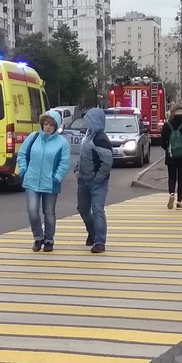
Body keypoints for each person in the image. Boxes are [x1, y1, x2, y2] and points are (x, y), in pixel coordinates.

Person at [15, 109, 72, 252]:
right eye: (45, 124)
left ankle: (49, 240)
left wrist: (57, 177)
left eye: (51, 124)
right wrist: (24, 170)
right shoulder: (34, 137)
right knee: (33, 210)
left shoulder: (62, 143)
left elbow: (64, 163)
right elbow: (22, 154)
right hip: (32, 181)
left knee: (49, 212)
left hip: (51, 183)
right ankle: (38, 237)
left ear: (56, 125)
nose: (47, 127)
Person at [74, 107, 113, 253]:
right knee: (83, 208)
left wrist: (98, 179)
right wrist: (78, 169)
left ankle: (100, 242)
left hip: (97, 183)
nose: (87, 123)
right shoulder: (88, 135)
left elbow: (107, 163)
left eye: (90, 120)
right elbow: (82, 155)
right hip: (83, 180)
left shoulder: (101, 139)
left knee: (97, 210)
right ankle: (93, 233)